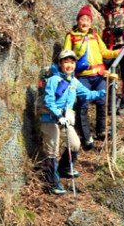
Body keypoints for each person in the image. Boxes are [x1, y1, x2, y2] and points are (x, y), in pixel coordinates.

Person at [40, 49, 107, 194]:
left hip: (64, 120)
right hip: (50, 119)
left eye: (72, 62)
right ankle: (51, 183)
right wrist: (58, 115)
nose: (69, 65)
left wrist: (105, 91)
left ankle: (65, 168)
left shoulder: (74, 82)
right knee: (53, 150)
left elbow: (88, 94)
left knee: (75, 144)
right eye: (66, 62)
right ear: (60, 64)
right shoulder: (54, 80)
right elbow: (48, 100)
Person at [63, 5, 119, 151]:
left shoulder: (94, 35)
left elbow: (105, 52)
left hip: (99, 74)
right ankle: (86, 137)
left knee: (102, 101)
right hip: (83, 76)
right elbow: (66, 55)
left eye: (88, 20)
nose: (85, 23)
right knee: (83, 104)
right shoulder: (71, 36)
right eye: (82, 20)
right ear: (77, 20)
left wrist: (118, 52)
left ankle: (101, 130)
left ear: (91, 22)